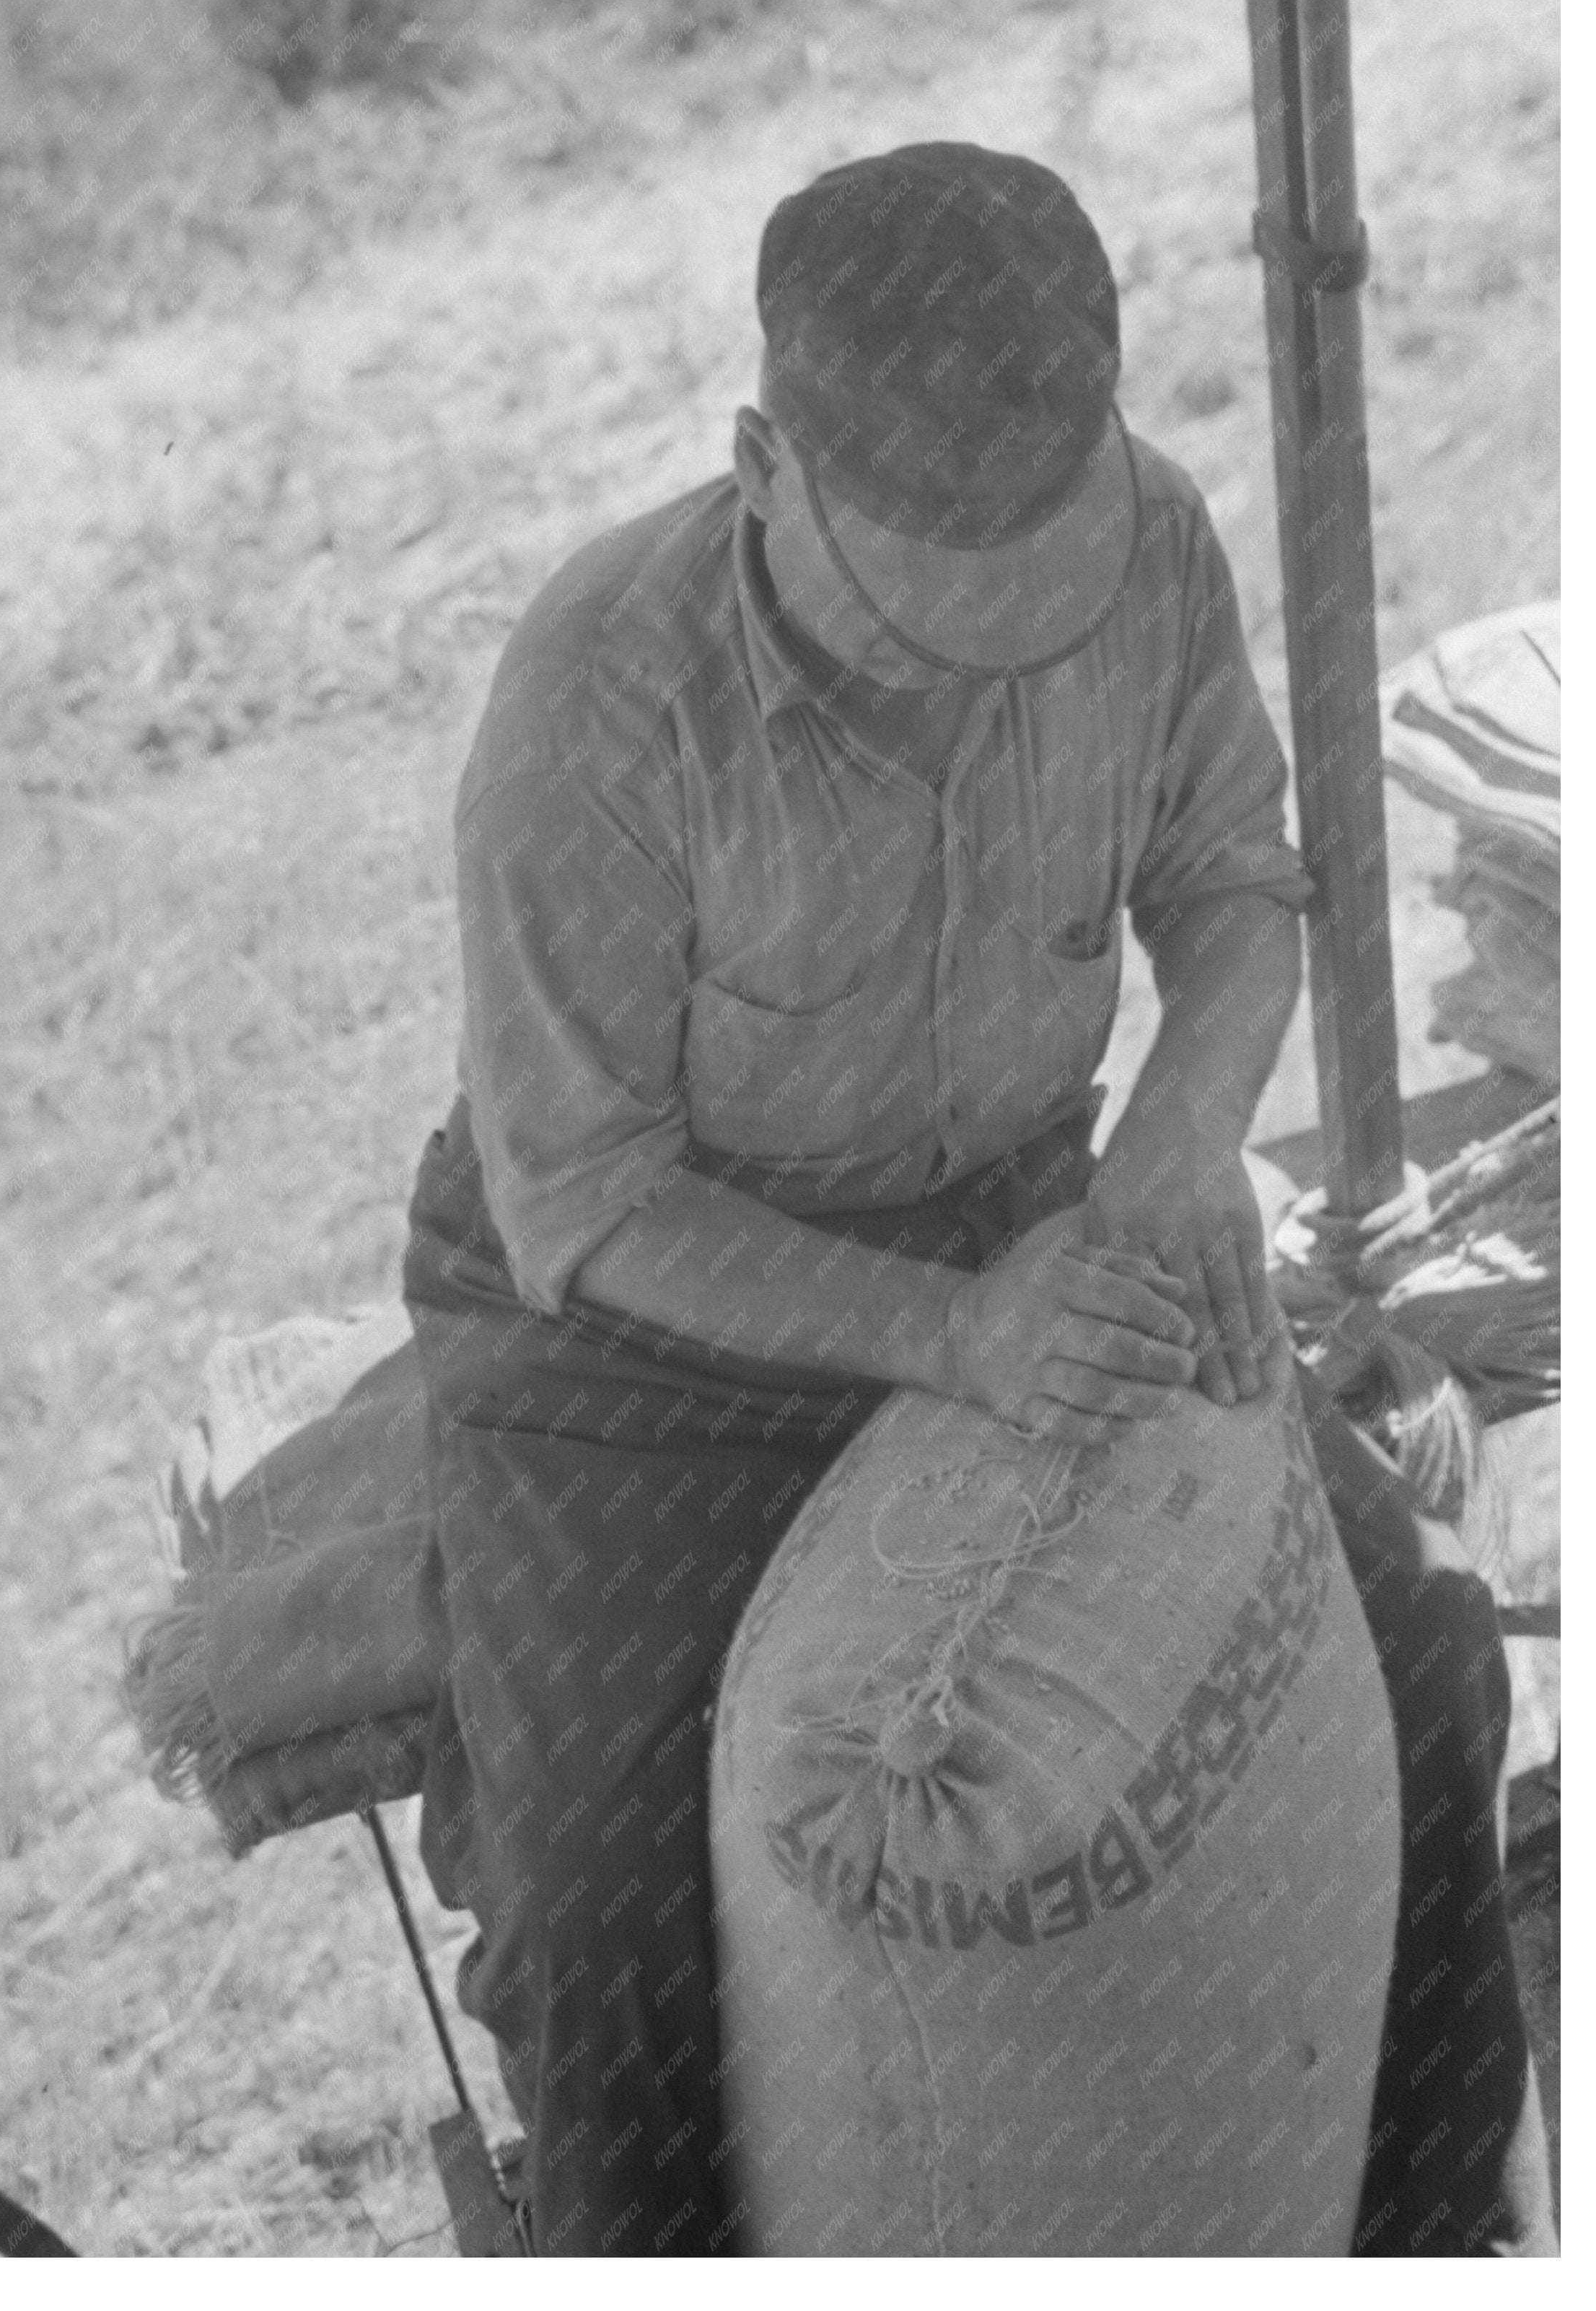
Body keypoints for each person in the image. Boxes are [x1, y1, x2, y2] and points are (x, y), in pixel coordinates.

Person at [398, 141, 1545, 2255]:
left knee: (1427, 1663)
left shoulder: (1162, 536)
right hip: (640, 1351)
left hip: (1034, 1224)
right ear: (764, 465)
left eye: (1048, 600)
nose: (989, 679)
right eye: (930, 618)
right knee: (609, 1939)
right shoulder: (596, 705)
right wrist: (949, 1336)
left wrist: (1177, 1140)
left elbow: (1231, 886)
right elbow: (587, 1205)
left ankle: (1419, 2247)